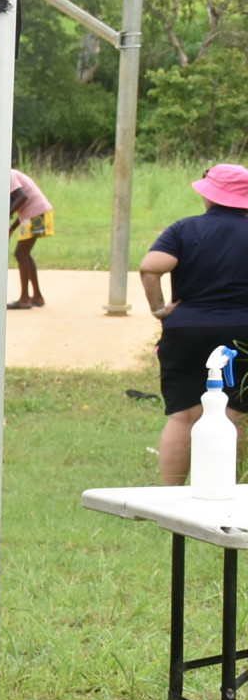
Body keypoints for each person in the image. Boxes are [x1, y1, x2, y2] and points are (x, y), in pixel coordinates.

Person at [139, 163, 248, 485]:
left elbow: (150, 267)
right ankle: (224, 490)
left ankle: (171, 495)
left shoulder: (184, 229)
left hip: (186, 330)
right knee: (232, 415)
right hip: (241, 334)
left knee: (183, 417)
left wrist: (160, 310)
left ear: (209, 197)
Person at [7, 169, 54, 310]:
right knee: (24, 254)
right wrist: (13, 227)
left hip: (36, 214)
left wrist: (7, 213)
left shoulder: (7, 174)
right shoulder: (9, 174)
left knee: (21, 253)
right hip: (34, 214)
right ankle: (37, 296)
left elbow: (22, 196)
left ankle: (25, 299)